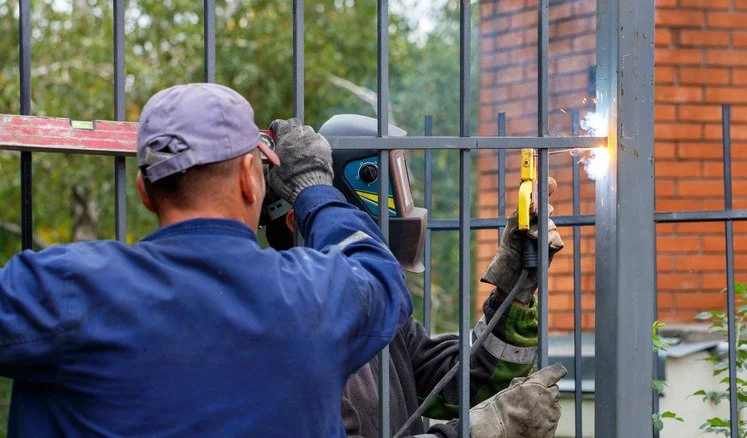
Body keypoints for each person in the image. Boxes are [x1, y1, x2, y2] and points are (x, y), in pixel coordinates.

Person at [0, 85, 411, 437]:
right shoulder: (314, 296)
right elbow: (379, 276)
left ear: (145, 192)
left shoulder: (61, 288)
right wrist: (313, 189)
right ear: (251, 178)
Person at [263, 114, 566, 438]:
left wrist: (514, 288)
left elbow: (467, 380)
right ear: (298, 223)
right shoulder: (291, 328)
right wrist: (481, 431)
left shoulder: (378, 312)